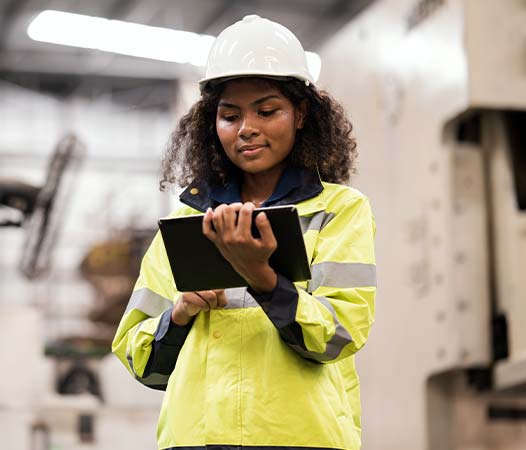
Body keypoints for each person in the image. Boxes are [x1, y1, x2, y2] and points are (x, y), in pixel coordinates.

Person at [111, 15, 376, 450]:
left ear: (301, 114)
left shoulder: (339, 211)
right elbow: (142, 363)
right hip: (196, 440)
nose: (246, 128)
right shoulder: (186, 221)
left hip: (301, 440)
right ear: (211, 124)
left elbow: (339, 335)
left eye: (267, 111)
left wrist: (264, 279)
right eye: (230, 115)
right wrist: (180, 314)